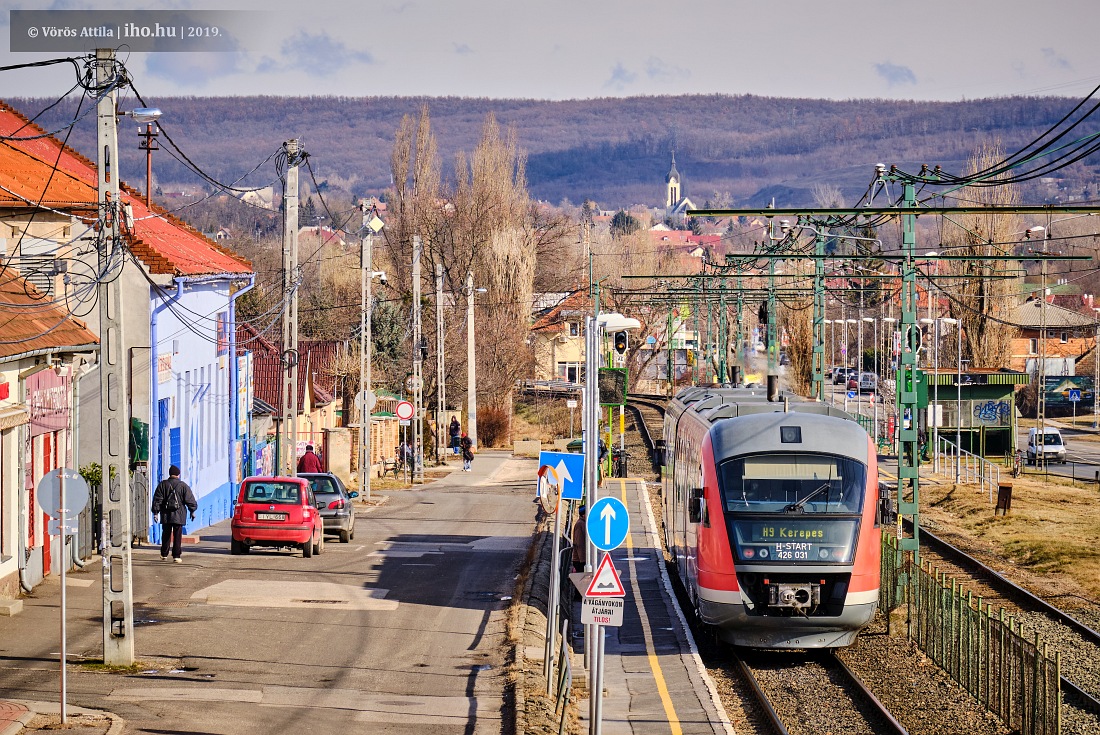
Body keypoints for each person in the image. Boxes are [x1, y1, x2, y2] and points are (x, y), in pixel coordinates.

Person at [151, 465, 198, 563]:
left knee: (166, 534)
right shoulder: (183, 486)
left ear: (169, 474)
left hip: (166, 514)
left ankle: (164, 554)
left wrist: (156, 512)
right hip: (179, 514)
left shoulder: (162, 485)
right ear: (178, 474)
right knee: (177, 535)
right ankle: (176, 556)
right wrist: (192, 511)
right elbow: (190, 500)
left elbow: (157, 499)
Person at [571, 505, 587, 572]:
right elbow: (579, 543)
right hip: (579, 560)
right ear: (584, 515)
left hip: (582, 559)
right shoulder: (580, 524)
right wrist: (583, 560)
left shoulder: (584, 523)